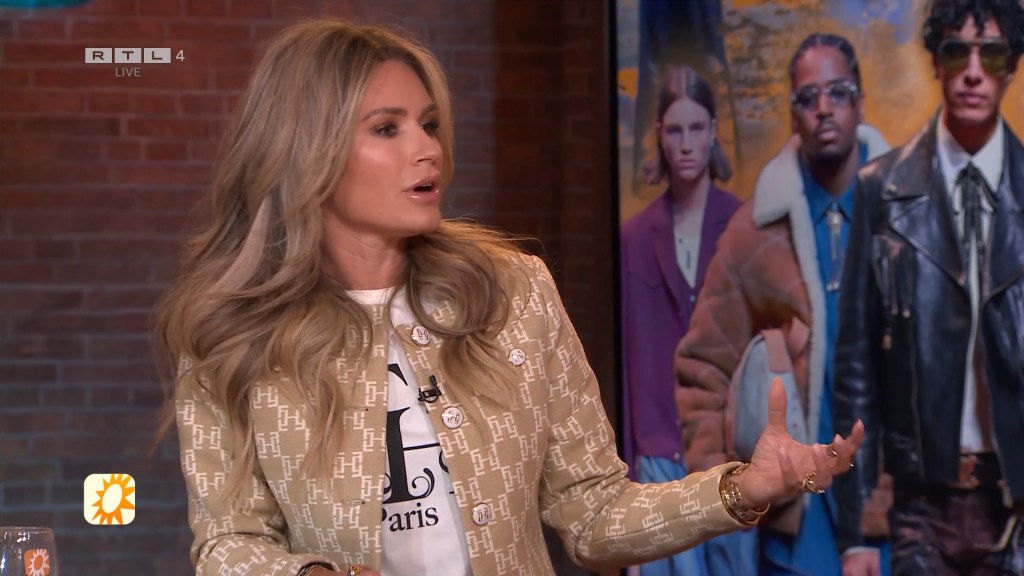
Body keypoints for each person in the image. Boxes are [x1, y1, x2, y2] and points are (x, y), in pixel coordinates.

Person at [156, 19, 863, 576]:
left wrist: (740, 489)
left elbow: (594, 514)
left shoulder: (513, 293)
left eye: (429, 123)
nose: (427, 149)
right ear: (305, 150)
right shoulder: (230, 336)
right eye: (387, 128)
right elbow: (228, 543)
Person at [673, 33, 893, 576]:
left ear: (861, 102)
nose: (824, 108)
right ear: (793, 113)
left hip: (893, 511)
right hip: (797, 526)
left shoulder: (907, 212)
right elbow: (703, 367)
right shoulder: (754, 232)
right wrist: (725, 497)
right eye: (808, 97)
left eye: (838, 92)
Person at [834, 1, 1024, 574]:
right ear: (936, 62)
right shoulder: (882, 191)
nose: (974, 72)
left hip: (1015, 502)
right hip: (921, 506)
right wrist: (855, 532)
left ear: (1012, 67)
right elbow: (856, 366)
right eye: (957, 52)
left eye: (992, 54)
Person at [620, 65, 743, 576]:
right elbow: (627, 359)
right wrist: (626, 475)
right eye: (675, 130)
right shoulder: (633, 237)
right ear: (660, 136)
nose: (687, 143)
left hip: (730, 454)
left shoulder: (744, 226)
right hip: (658, 457)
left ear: (713, 131)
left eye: (696, 128)